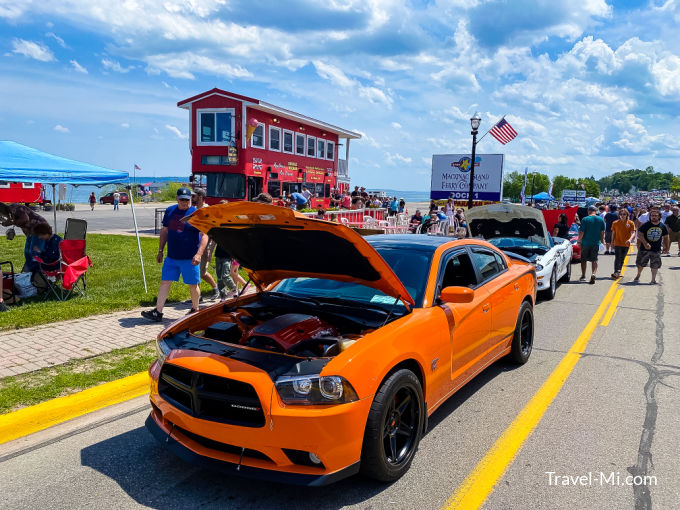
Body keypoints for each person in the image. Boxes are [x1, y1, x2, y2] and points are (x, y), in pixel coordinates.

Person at [141, 187, 209, 322]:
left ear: (191, 199)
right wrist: (160, 250)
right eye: (182, 200)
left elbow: (204, 235)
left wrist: (199, 254)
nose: (185, 202)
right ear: (177, 199)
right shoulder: (170, 211)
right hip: (172, 256)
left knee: (193, 285)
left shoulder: (196, 213)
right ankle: (158, 312)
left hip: (190, 258)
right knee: (165, 282)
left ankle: (195, 309)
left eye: (187, 200)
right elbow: (165, 231)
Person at [191, 188, 219, 300]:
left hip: (203, 246)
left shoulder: (206, 210)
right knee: (196, 272)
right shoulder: (194, 209)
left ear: (200, 197)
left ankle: (215, 288)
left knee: (201, 272)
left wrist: (208, 247)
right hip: (194, 244)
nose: (191, 198)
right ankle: (198, 296)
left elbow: (211, 230)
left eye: (194, 196)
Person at [634, 209, 669, 284]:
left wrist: (666, 247)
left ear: (659, 216)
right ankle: (638, 274)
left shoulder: (662, 226)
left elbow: (666, 236)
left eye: (655, 216)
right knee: (640, 264)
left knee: (655, 265)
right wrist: (645, 243)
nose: (653, 217)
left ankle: (653, 280)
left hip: (656, 249)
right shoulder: (646, 225)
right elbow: (640, 234)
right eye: (652, 216)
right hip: (644, 249)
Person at [578, 205, 605, 284]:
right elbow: (602, 232)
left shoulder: (585, 219)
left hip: (585, 243)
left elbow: (581, 232)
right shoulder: (600, 219)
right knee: (594, 260)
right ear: (596, 211)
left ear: (588, 211)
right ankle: (593, 273)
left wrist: (579, 241)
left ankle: (583, 276)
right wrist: (602, 241)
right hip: (596, 243)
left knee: (583, 260)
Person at [610, 208, 636, 279]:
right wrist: (612, 242)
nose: (622, 216)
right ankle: (616, 272)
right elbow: (613, 233)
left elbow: (633, 232)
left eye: (624, 214)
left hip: (626, 243)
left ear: (627, 215)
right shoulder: (615, 223)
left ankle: (619, 271)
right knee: (618, 257)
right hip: (617, 243)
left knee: (622, 258)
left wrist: (630, 240)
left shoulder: (630, 223)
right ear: (619, 215)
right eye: (621, 214)